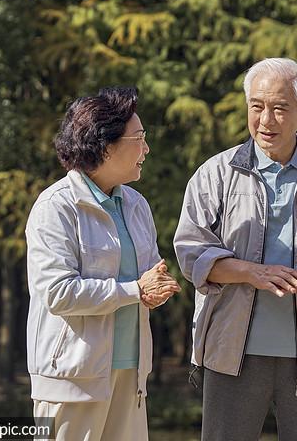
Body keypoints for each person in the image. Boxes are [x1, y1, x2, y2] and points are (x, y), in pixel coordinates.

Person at [173, 58, 297, 441]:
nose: (266, 120)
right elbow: (190, 250)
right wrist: (250, 272)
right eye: (257, 106)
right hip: (231, 354)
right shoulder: (216, 173)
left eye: (280, 108)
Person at [26, 87, 181, 441]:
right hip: (72, 378)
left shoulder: (136, 204)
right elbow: (58, 293)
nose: (147, 149)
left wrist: (156, 291)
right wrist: (135, 290)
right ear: (105, 144)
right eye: (139, 138)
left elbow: (148, 275)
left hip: (132, 372)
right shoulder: (56, 207)